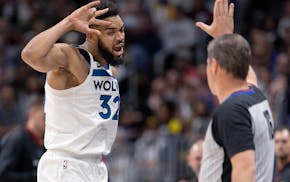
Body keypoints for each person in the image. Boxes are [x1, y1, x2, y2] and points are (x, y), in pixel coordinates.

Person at [21, 1, 124, 181]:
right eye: (111, 32)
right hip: (66, 165)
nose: (120, 37)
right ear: (91, 35)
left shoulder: (110, 71)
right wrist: (68, 23)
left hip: (96, 166)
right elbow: (30, 54)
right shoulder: (70, 58)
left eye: (121, 30)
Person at [195, 0, 275, 181]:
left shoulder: (232, 111)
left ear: (214, 66)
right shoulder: (255, 95)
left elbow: (246, 170)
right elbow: (247, 74)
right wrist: (224, 37)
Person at [0, 95, 46, 182]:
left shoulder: (47, 140)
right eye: (44, 117)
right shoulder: (18, 138)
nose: (47, 122)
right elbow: (3, 174)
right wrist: (36, 176)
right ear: (32, 114)